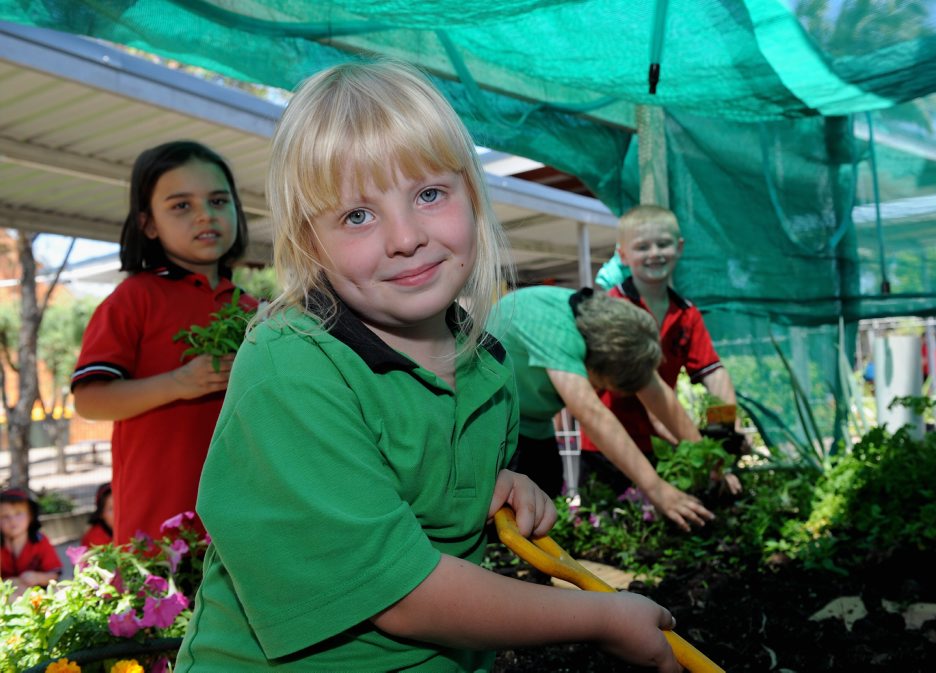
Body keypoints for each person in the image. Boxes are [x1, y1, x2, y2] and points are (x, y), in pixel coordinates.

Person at [175, 60, 681, 672]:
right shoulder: (293, 366)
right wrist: (602, 616)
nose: (406, 236)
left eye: (429, 194)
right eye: (357, 215)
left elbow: (424, 499)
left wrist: (498, 491)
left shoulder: (485, 365)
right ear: (311, 243)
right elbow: (402, 594)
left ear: (472, 195)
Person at [70, 141, 259, 544]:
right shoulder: (133, 299)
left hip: (242, 518)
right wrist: (179, 383)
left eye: (218, 200)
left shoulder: (253, 310)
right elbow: (89, 400)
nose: (206, 215)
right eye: (181, 206)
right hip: (156, 526)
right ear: (148, 224)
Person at [487, 285, 714, 531]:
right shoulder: (556, 330)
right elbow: (591, 415)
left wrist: (711, 460)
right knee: (506, 516)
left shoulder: (610, 330)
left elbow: (659, 395)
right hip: (492, 423)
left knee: (545, 499)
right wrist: (656, 489)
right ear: (592, 366)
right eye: (603, 385)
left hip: (534, 422)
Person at [589, 205, 743, 495]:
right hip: (608, 445)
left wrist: (726, 431)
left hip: (660, 444)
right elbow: (648, 391)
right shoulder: (612, 307)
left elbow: (713, 373)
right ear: (623, 255)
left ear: (679, 247)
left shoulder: (687, 314)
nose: (654, 253)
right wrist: (706, 455)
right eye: (642, 246)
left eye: (663, 243)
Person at [1, 488, 62, 598]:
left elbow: (55, 574)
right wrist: (10, 582)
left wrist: (38, 577)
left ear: (31, 516)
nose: (12, 520)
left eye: (18, 513)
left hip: (39, 598)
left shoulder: (40, 540)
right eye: (5, 516)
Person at [80, 482, 113, 547]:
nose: (118, 514)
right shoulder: (94, 540)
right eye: (111, 509)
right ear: (101, 513)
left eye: (121, 507)